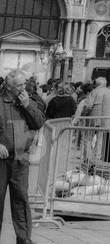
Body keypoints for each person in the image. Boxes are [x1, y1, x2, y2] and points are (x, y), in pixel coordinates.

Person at [0, 70, 45, 244]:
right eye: (19, 85)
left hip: (20, 157)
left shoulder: (28, 100)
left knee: (21, 200)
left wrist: (27, 105)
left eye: (24, 83)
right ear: (9, 87)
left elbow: (39, 122)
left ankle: (24, 238)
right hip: (2, 160)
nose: (23, 87)